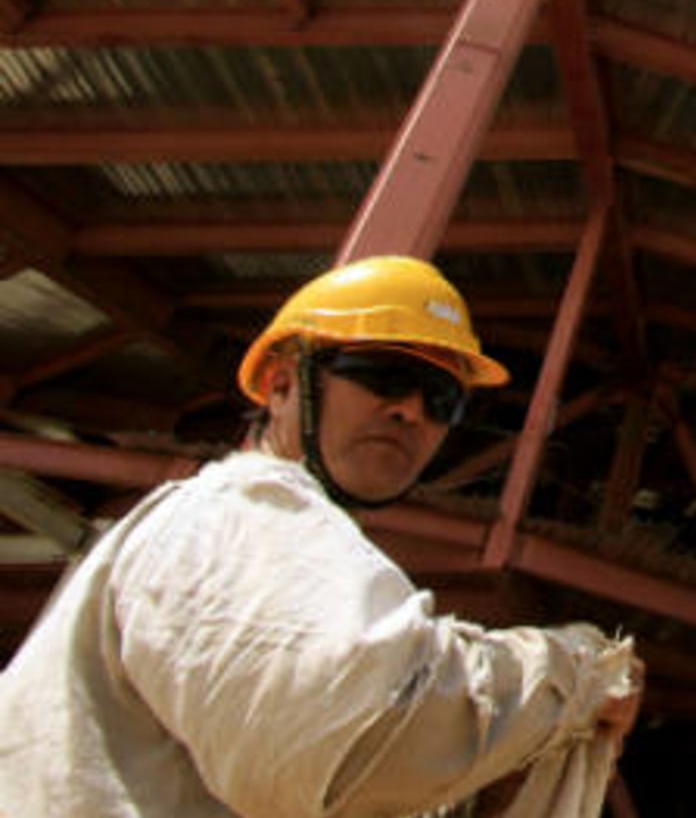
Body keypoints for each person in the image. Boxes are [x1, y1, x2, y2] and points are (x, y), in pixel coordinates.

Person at [0, 255, 644, 818]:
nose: (411, 411)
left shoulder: (280, 544)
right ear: (282, 383)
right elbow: (360, 734)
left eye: (441, 399)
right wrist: (576, 675)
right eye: (385, 376)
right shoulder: (239, 514)